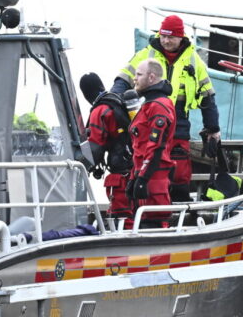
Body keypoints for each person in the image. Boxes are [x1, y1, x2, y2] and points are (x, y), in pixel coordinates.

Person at [113, 15, 219, 203]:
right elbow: (123, 79)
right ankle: (150, 212)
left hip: (179, 122)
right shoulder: (146, 54)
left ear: (181, 37)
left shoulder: (194, 60)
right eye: (163, 36)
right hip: (149, 120)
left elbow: (207, 96)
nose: (166, 40)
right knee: (149, 167)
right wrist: (112, 99)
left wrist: (213, 129)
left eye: (171, 37)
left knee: (179, 172)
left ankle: (179, 212)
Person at [126, 59, 176, 222]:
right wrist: (134, 178)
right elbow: (140, 147)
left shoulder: (158, 106)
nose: (135, 78)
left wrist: (143, 178)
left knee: (154, 223)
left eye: (139, 75)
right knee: (140, 223)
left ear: (152, 77)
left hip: (154, 179)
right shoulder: (148, 105)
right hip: (145, 175)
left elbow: (156, 147)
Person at [79, 73, 135, 218]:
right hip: (134, 164)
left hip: (120, 169)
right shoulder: (116, 100)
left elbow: (95, 146)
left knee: (122, 213)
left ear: (86, 94)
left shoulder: (100, 110)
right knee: (134, 208)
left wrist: (79, 166)